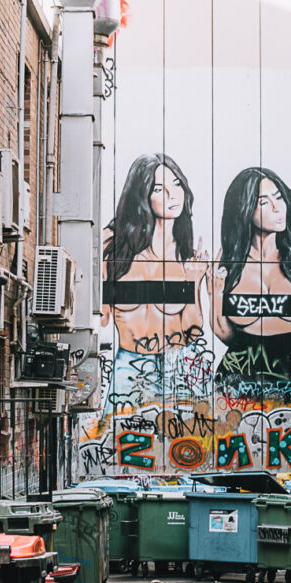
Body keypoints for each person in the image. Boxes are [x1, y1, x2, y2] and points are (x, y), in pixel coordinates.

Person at [101, 153, 210, 414]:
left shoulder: (186, 256)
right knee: (117, 447)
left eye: (177, 184)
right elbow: (101, 319)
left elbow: (192, 332)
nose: (173, 194)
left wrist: (195, 282)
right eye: (160, 188)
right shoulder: (113, 247)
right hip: (131, 365)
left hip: (180, 367)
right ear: (142, 196)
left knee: (191, 449)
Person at [212, 167, 291, 400]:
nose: (277, 207)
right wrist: (214, 291)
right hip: (237, 385)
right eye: (264, 202)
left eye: (279, 197)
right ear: (244, 210)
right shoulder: (231, 265)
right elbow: (225, 334)